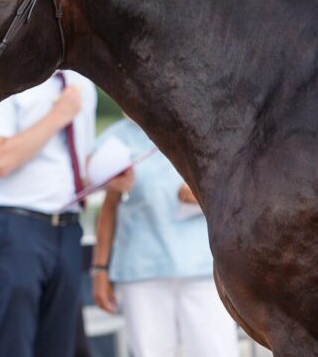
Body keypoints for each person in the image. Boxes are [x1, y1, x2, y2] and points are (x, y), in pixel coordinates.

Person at [91, 117, 240, 357]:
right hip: (141, 271)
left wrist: (201, 194)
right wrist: (99, 269)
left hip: (203, 270)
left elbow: (237, 188)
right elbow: (109, 208)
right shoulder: (116, 139)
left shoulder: (198, 128)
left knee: (217, 351)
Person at [0, 71, 97, 357]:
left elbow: (81, 161)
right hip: (16, 228)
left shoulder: (81, 84)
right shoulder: (3, 80)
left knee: (60, 348)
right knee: (12, 347)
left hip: (68, 228)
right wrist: (58, 116)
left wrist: (113, 175)